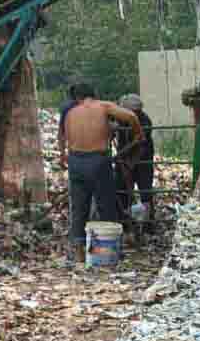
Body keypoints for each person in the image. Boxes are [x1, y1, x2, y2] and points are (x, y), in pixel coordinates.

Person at [60, 83, 144, 262]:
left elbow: (63, 137)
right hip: (98, 160)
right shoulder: (103, 106)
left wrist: (63, 157)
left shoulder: (70, 113)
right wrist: (138, 133)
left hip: (75, 161)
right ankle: (109, 250)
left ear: (77, 98)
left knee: (79, 207)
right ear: (94, 95)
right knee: (105, 204)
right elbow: (130, 116)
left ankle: (79, 250)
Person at [115, 94, 155, 218]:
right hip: (124, 160)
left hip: (141, 161)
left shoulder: (144, 121)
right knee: (122, 191)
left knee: (145, 192)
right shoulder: (122, 119)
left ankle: (148, 224)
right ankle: (126, 221)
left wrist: (128, 163)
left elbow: (140, 146)